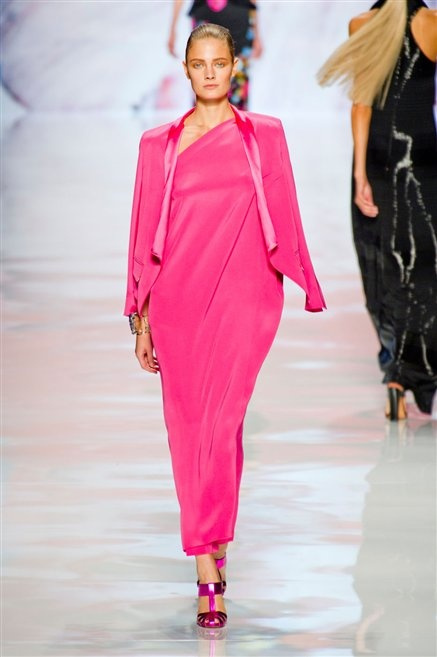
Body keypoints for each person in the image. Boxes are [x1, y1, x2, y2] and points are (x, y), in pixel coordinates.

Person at [124, 23, 325, 629]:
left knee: (224, 422)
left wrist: (304, 280)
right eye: (199, 64)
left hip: (244, 297)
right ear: (186, 69)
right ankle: (207, 561)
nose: (209, 73)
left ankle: (212, 545)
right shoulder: (157, 146)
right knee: (191, 430)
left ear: (235, 66)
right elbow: (142, 232)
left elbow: (285, 213)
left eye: (219, 62)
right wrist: (140, 318)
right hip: (178, 302)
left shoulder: (265, 136)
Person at [318, 0, 437, 420]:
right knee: (423, 268)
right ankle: (419, 368)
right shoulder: (433, 24)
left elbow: (361, 104)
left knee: (383, 267)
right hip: (423, 158)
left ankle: (396, 378)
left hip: (380, 160)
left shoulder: (361, 24)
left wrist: (359, 174)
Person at [168, 0, 262, 109]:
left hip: (219, 16)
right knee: (230, 74)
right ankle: (231, 115)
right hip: (226, 15)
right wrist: (256, 33)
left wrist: (173, 29)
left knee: (210, 74)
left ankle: (216, 115)